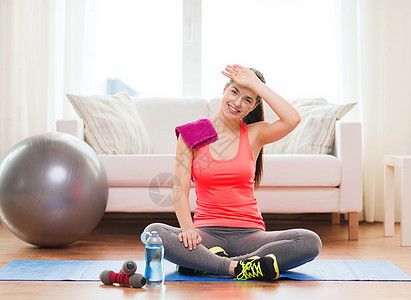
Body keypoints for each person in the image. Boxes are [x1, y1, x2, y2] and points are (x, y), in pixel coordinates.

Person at [144, 64, 322, 280]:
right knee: (154, 232)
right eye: (234, 92)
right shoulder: (192, 134)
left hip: (250, 235)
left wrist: (255, 84)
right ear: (224, 90)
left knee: (309, 241)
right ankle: (237, 268)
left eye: (247, 99)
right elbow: (179, 189)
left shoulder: (256, 134)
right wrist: (188, 229)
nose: (237, 103)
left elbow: (292, 119)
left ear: (254, 106)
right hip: (206, 233)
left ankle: (208, 263)